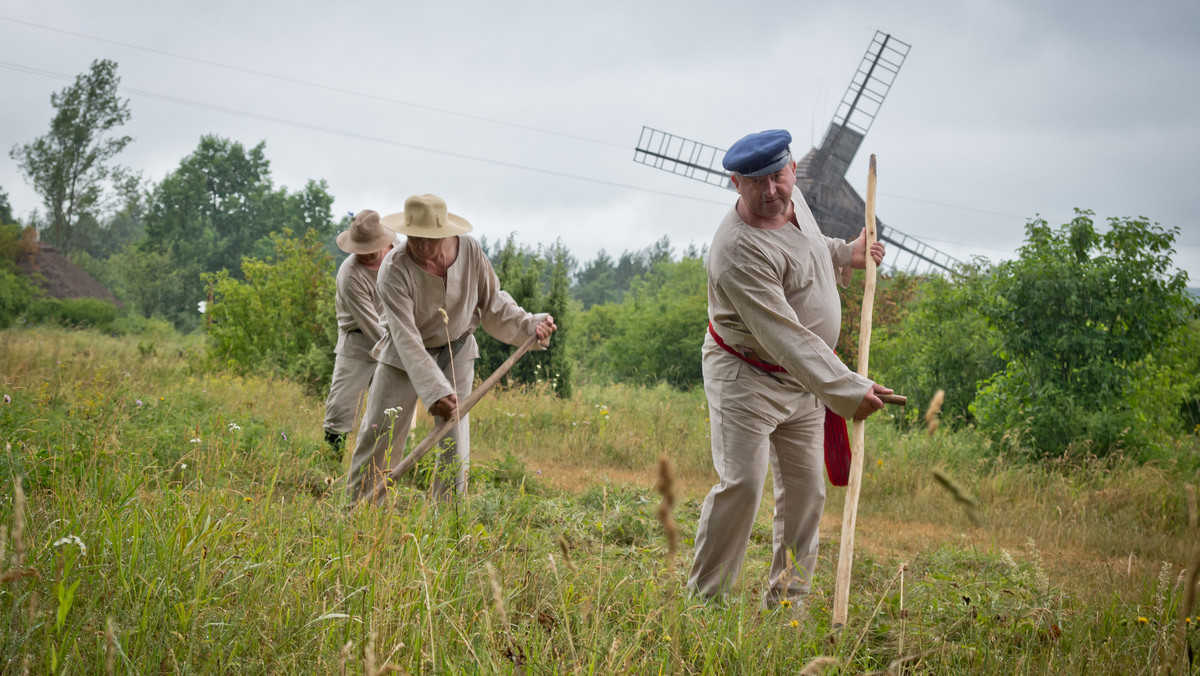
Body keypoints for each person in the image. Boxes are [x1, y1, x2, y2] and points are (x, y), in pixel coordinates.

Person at [688, 129, 892, 606]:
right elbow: (786, 338)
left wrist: (847, 253)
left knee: (806, 493)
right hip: (747, 378)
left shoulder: (794, 197)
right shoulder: (737, 250)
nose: (772, 191)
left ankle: (787, 605)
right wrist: (846, 390)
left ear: (793, 169)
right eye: (756, 182)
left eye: (778, 176)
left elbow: (811, 250)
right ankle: (706, 603)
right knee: (743, 484)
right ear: (736, 184)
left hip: (803, 384)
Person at [346, 193, 557, 501]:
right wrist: (435, 391)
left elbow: (494, 301)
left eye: (428, 239)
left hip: (456, 347)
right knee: (379, 431)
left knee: (454, 440)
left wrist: (530, 325)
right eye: (413, 238)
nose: (420, 246)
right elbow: (406, 338)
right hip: (404, 354)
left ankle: (449, 521)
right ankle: (358, 511)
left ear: (445, 233)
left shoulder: (469, 250)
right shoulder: (393, 269)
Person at [323, 210, 395, 456]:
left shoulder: (396, 256)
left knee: (390, 411)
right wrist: (406, 354)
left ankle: (382, 467)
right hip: (358, 343)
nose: (363, 254)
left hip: (396, 339)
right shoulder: (350, 275)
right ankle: (330, 460)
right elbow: (373, 327)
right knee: (340, 409)